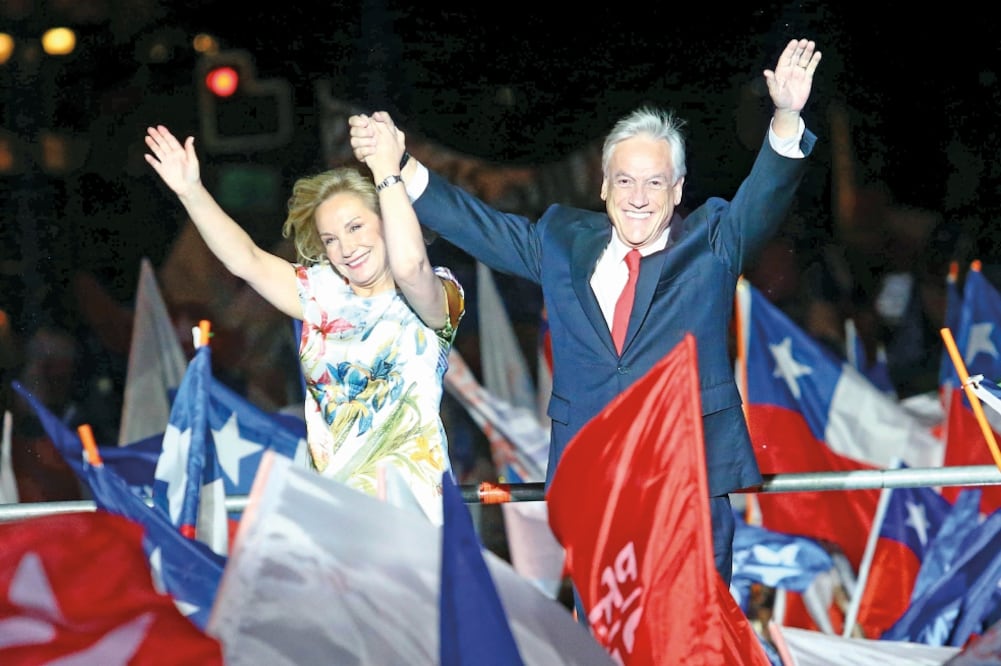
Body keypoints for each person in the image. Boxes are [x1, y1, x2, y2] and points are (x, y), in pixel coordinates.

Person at [350, 38, 822, 583]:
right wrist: (398, 166)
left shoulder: (712, 240)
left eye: (654, 182)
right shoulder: (561, 240)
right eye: (624, 180)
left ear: (678, 190)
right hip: (592, 486)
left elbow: (764, 195)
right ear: (603, 186)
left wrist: (787, 115)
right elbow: (479, 224)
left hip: (687, 482)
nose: (638, 197)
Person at [143, 122, 465, 525]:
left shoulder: (434, 295)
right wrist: (191, 191)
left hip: (415, 516)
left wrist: (387, 171)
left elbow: (411, 265)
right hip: (335, 517)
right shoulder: (322, 293)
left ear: (386, 219)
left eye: (355, 227)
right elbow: (247, 260)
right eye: (330, 239)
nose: (346, 248)